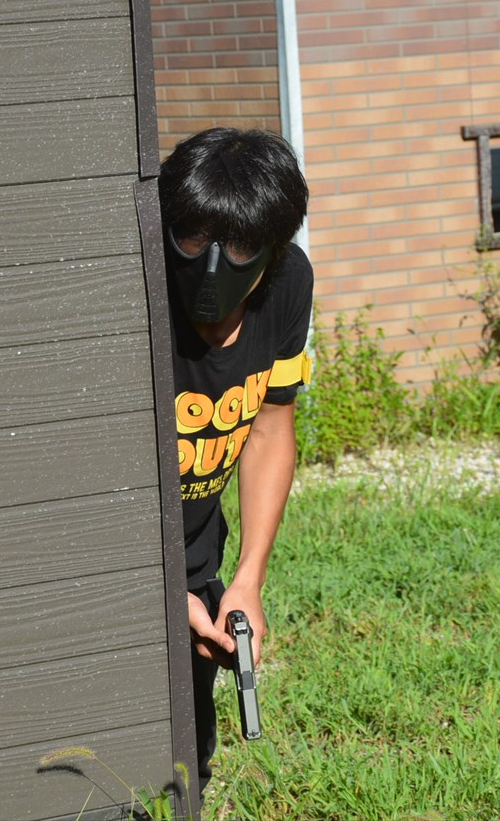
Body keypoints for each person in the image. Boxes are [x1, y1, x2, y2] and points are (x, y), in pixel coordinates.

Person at [158, 127, 312, 799]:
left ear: (271, 254)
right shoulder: (135, 294)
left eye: (241, 248)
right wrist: (162, 597)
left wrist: (246, 580)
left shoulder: (288, 284)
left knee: (186, 768)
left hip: (199, 560)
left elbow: (271, 428)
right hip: (114, 570)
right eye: (193, 241)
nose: (212, 269)